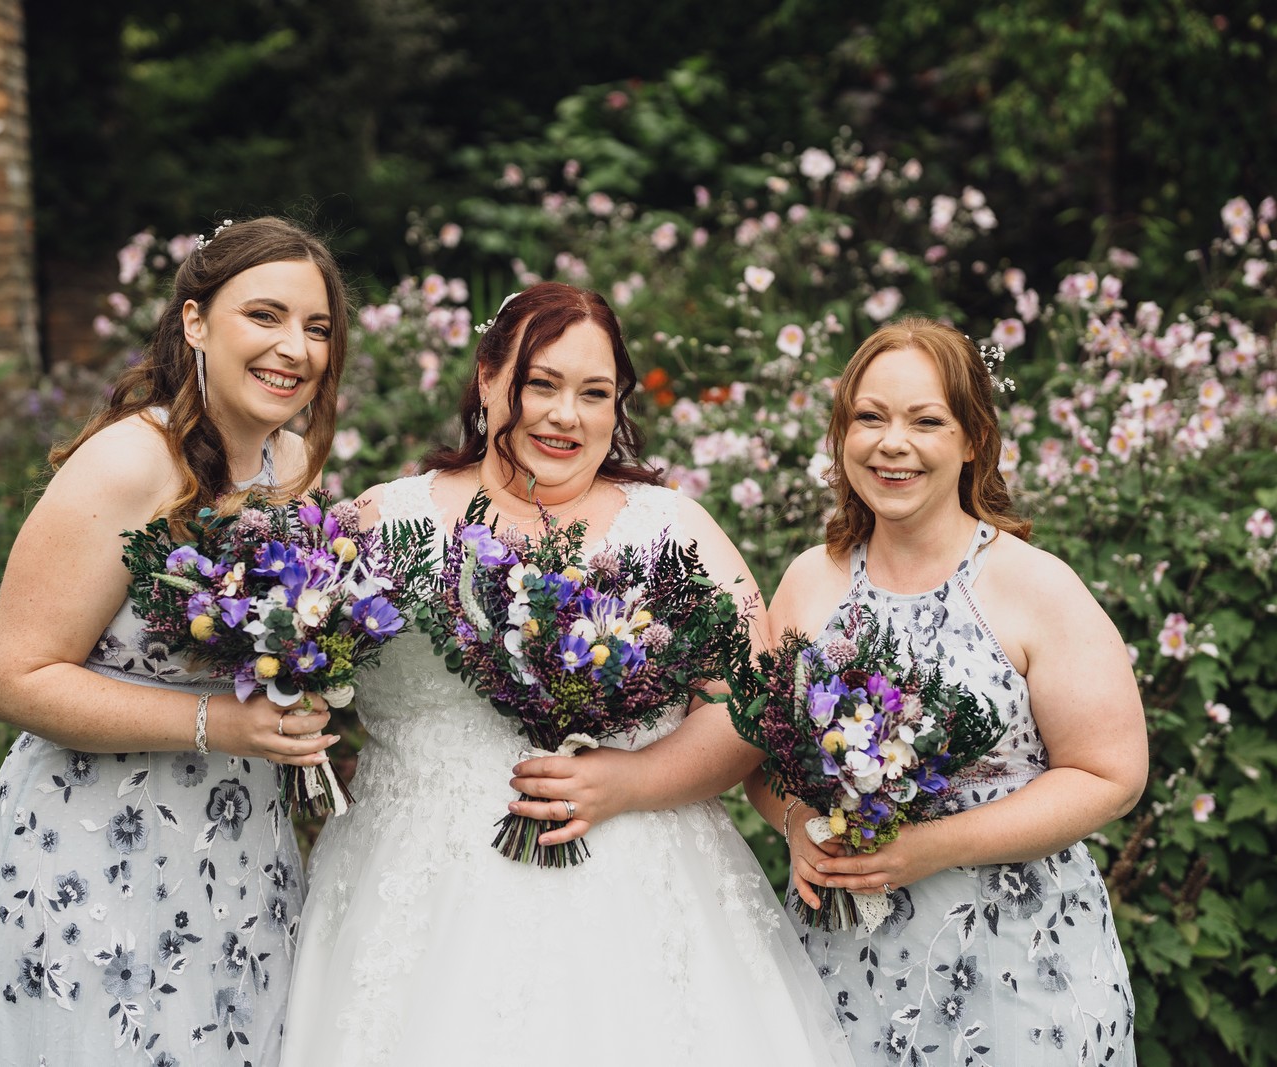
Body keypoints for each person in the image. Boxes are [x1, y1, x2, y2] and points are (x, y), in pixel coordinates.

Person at [279, 282, 852, 1066]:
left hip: (637, 890)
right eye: (540, 383)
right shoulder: (387, 520)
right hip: (413, 898)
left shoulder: (670, 528)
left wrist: (633, 779)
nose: (564, 415)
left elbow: (748, 706)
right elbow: (300, 652)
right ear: (486, 379)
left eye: (594, 393)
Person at [0, 217, 352, 1066]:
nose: (296, 347)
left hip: (238, 859)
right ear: (196, 323)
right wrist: (223, 724)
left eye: (317, 327)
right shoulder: (130, 461)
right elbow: (14, 678)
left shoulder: (292, 469)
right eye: (266, 316)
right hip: (96, 860)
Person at [751, 317, 1144, 1064]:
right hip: (842, 970)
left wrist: (927, 847)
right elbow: (763, 759)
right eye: (869, 417)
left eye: (925, 420)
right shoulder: (810, 581)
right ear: (842, 435)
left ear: (972, 439)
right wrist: (800, 822)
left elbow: (1110, 775)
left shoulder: (1035, 585)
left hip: (1018, 974)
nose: (892, 442)